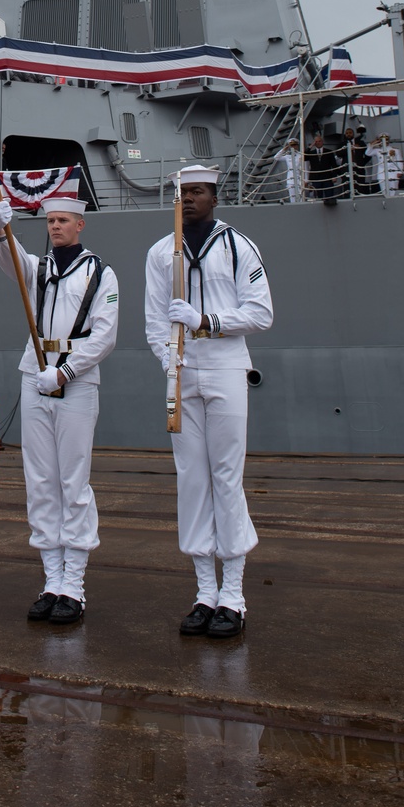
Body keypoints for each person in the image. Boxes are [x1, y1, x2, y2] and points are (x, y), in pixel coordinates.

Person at [144, 165, 273, 639]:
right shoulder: (160, 253)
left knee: (226, 477)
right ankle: (204, 592)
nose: (190, 199)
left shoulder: (239, 246)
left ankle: (234, 595)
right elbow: (154, 320)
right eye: (182, 192)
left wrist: (205, 320)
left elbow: (262, 313)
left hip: (224, 367)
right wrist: (168, 360)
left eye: (198, 192)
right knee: (191, 480)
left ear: (215, 197)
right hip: (181, 374)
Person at [0, 189, 118, 624]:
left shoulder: (101, 274)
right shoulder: (39, 269)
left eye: (64, 220)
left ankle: (74, 585)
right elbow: (12, 260)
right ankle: (50, 580)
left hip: (75, 382)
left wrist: (67, 370)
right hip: (35, 374)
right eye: (51, 221)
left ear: (80, 224)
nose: (56, 226)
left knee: (73, 481)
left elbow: (104, 335)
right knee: (41, 479)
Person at [305, 132, 341, 203]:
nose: (318, 143)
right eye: (316, 142)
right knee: (318, 196)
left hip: (327, 177)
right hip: (316, 177)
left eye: (319, 141)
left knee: (329, 195)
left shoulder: (329, 152)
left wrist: (334, 176)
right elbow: (304, 157)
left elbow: (334, 165)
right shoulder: (311, 153)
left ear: (322, 142)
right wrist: (310, 147)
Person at [272, 138, 306, 202]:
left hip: (299, 179)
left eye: (295, 145)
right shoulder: (287, 156)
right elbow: (276, 158)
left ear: (297, 146)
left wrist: (305, 180)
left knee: (301, 199)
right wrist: (284, 149)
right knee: (292, 199)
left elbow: (305, 167)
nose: (294, 147)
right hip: (291, 180)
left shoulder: (300, 155)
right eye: (292, 145)